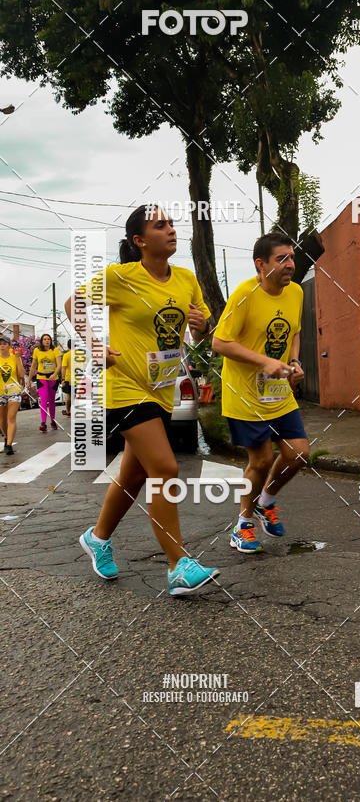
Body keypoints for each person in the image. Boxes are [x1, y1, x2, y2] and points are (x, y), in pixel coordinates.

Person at [65, 204, 220, 596]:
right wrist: (95, 345)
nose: (171, 229)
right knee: (165, 468)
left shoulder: (185, 279)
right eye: (160, 225)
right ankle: (178, 566)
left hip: (162, 389)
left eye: (171, 223)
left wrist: (201, 327)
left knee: (133, 476)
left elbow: (198, 333)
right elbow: (74, 304)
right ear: (139, 241)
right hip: (126, 388)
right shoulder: (121, 277)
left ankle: (98, 538)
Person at [212, 232, 309, 553]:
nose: (290, 264)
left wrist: (293, 360)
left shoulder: (295, 293)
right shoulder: (244, 294)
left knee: (298, 453)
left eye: (291, 258)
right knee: (262, 459)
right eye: (281, 259)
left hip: (278, 391)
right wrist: (265, 361)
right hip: (244, 394)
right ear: (260, 264)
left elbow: (294, 331)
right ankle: (243, 525)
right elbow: (220, 342)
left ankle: (266, 501)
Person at [26, 334, 61, 431]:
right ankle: (43, 423)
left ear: (51, 341)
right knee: (44, 399)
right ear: (41, 341)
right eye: (45, 339)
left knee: (52, 400)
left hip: (53, 378)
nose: (47, 341)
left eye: (48, 339)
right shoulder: (37, 350)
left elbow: (59, 365)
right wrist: (28, 381)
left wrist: (54, 374)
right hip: (41, 377)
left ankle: (53, 421)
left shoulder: (55, 350)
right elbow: (33, 366)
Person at [0, 337, 24, 455]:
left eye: (4, 344)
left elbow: (21, 374)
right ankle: (6, 436)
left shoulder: (14, 357)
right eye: (0, 344)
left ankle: (9, 444)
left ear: (9, 345)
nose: (2, 346)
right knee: (2, 420)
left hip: (14, 391)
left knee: (11, 417)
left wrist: (17, 358)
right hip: (0, 392)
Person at [61, 339, 72, 417]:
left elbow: (63, 368)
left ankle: (68, 411)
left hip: (69, 379)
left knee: (68, 396)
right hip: (79, 379)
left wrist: (63, 379)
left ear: (68, 346)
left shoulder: (66, 355)